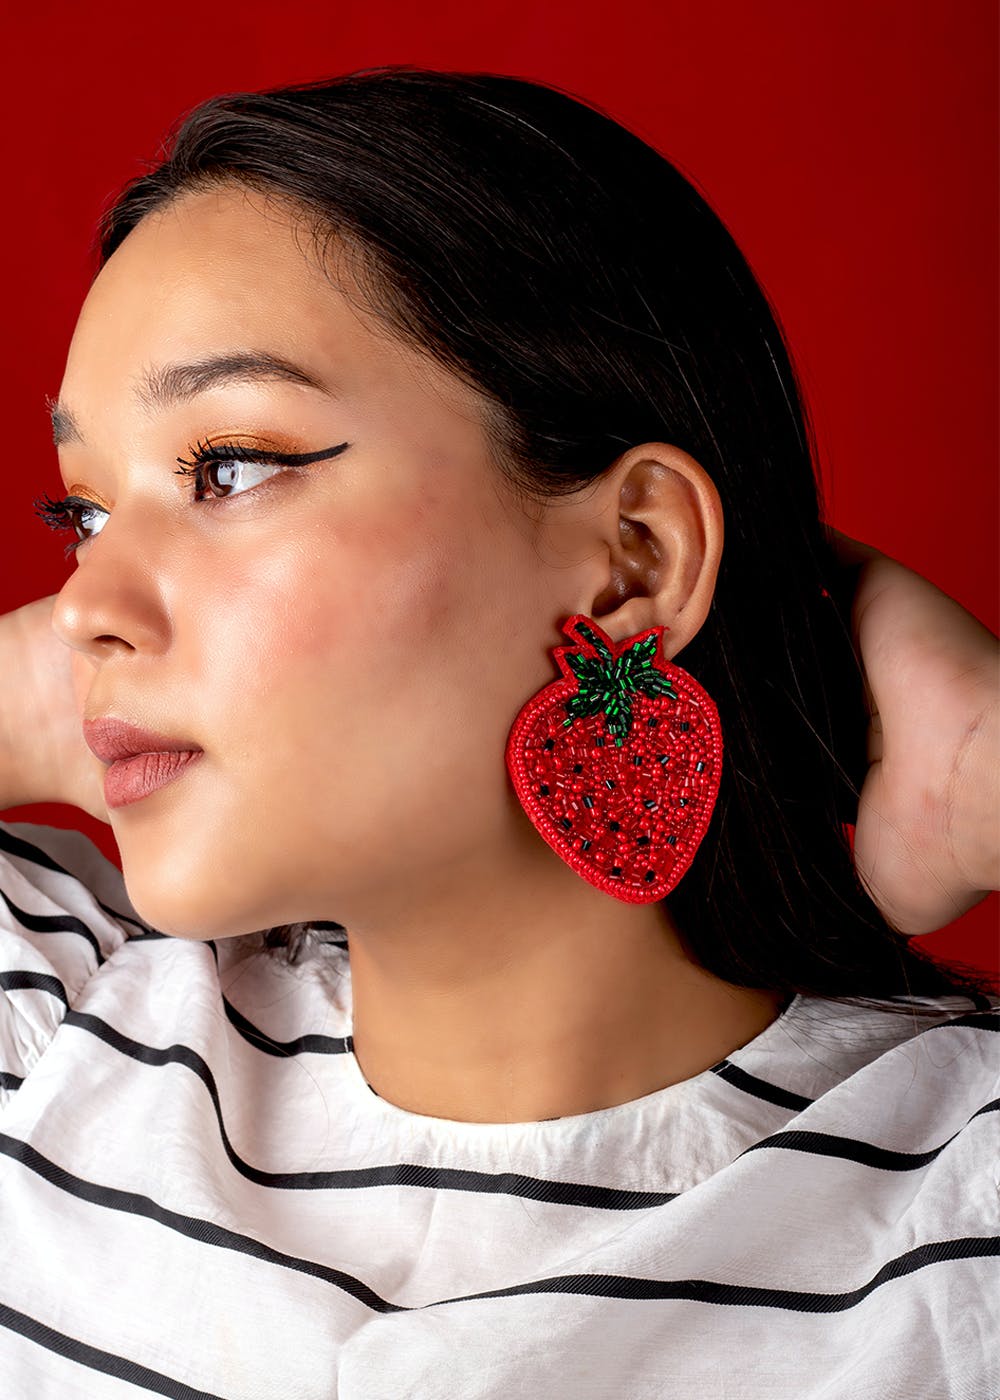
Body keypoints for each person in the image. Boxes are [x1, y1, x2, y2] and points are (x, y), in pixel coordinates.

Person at [0, 64, 996, 1399]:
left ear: (630, 562)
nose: (80, 607)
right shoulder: (56, 1031)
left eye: (227, 466)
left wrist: (982, 761)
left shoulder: (957, 1213)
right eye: (85, 514)